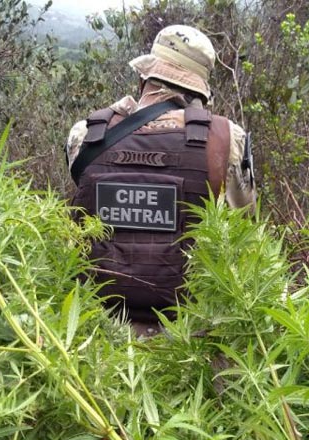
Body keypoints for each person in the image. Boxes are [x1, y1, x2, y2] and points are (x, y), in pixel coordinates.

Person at [66, 25, 255, 335]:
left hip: (92, 329)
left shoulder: (85, 134)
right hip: (188, 336)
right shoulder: (226, 138)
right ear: (200, 91)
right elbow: (244, 220)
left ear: (144, 77)